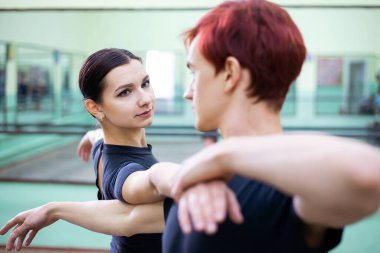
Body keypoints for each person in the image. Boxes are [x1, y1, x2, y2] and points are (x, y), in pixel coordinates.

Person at [2, 0, 380, 252]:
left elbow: (367, 173)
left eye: (194, 72)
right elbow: (128, 217)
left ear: (230, 73)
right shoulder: (213, 186)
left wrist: (221, 157)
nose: (187, 92)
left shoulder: (279, 190)